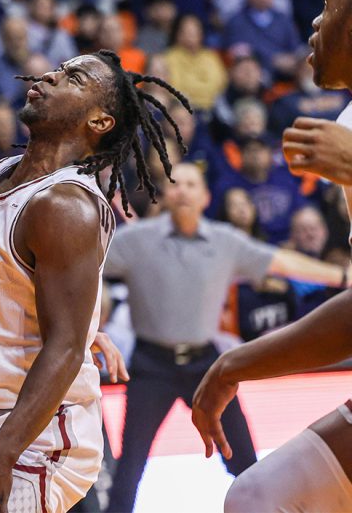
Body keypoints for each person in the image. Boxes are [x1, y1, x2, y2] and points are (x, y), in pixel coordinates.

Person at [0, 51, 187, 513]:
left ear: (100, 121)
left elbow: (63, 348)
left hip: (34, 437)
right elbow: (11, 280)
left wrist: (3, 454)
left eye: (72, 78)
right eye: (57, 70)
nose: (48, 75)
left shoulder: (67, 205)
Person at [192, 0, 352, 512]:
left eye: (328, 8)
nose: (313, 23)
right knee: (257, 496)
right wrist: (235, 363)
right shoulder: (346, 125)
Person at [105, 162, 350, 511]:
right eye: (176, 184)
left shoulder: (225, 241)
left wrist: (342, 276)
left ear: (206, 197)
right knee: (129, 470)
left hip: (206, 363)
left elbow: (281, 261)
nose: (184, 190)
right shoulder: (135, 240)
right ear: (166, 195)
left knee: (245, 464)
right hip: (150, 366)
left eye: (192, 184)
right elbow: (87, 264)